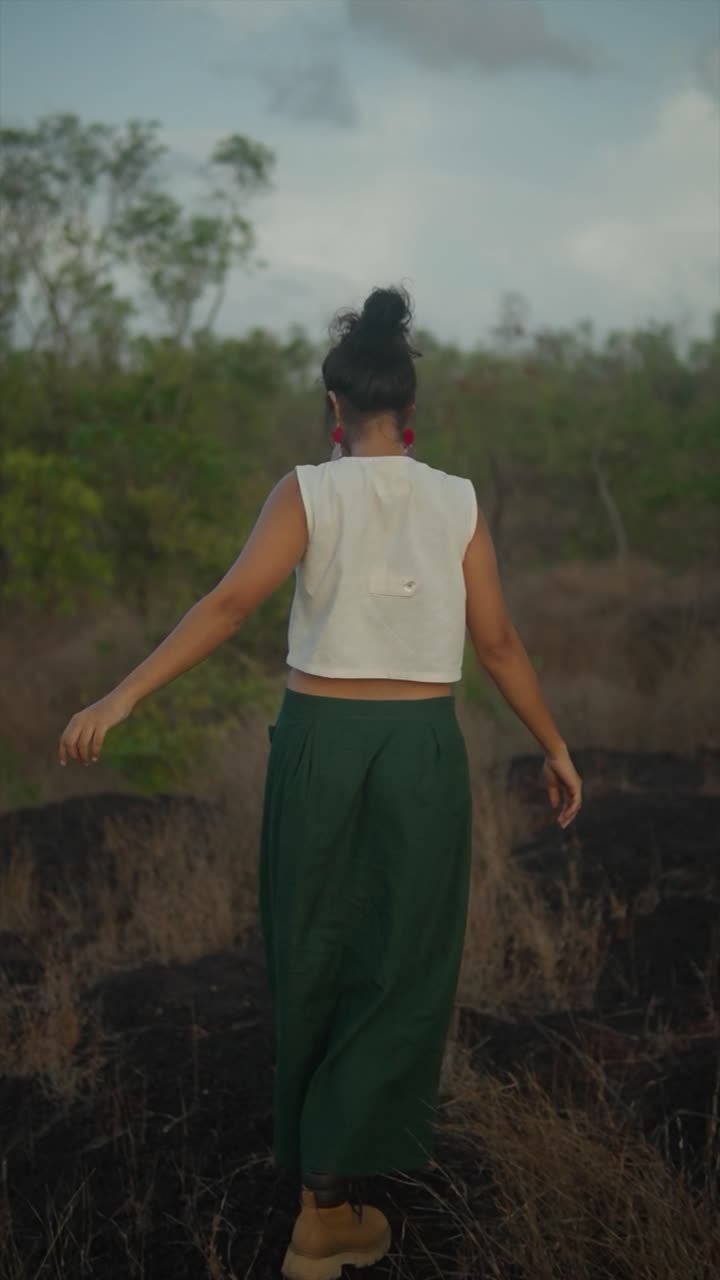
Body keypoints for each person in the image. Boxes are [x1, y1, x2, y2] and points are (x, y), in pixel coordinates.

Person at [57, 283, 582, 1280]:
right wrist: (552, 742)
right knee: (403, 960)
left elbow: (227, 606)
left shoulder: (306, 488)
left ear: (333, 413)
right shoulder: (459, 499)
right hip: (421, 744)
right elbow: (500, 641)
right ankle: (328, 1205)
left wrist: (123, 695)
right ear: (411, 414)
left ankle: (322, 1201)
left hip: (318, 740)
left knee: (314, 951)